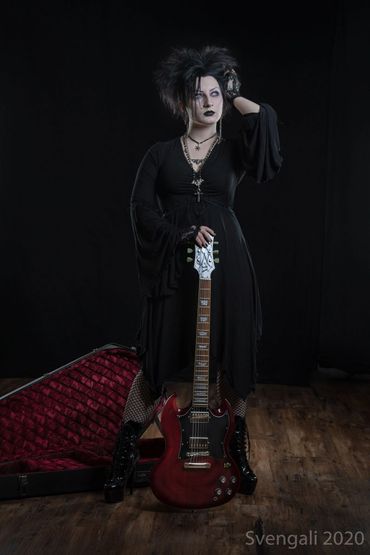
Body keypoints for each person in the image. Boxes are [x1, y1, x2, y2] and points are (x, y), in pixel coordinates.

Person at [104, 45, 283, 503]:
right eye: (199, 94)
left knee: (231, 359)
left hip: (230, 267)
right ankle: (122, 458)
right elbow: (141, 210)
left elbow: (264, 129)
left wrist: (235, 91)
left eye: (216, 95)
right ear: (183, 102)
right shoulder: (160, 154)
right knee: (155, 364)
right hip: (174, 270)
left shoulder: (234, 151)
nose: (208, 102)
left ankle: (234, 448)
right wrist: (182, 234)